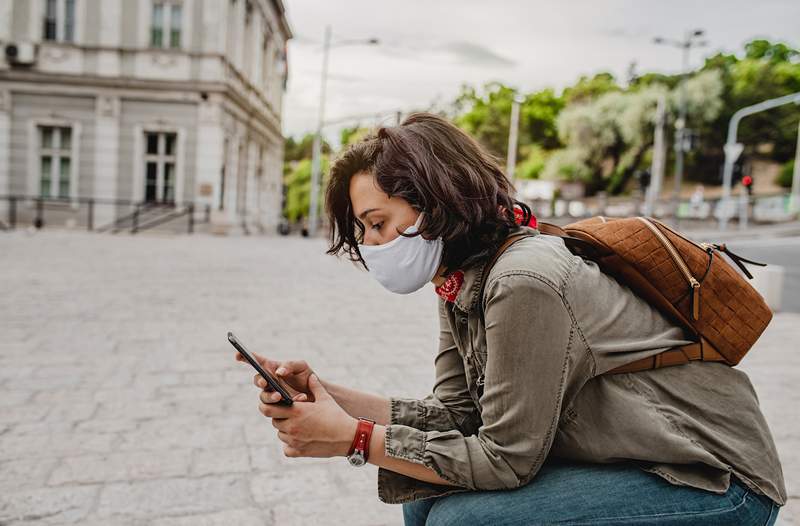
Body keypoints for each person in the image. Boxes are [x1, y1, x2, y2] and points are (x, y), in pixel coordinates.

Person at [234, 112, 785, 525]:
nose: (371, 245)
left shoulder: (525, 280)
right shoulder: (459, 275)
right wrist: (329, 395)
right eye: (362, 232)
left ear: (436, 200)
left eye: (378, 224)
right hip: (636, 458)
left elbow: (506, 460)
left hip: (713, 480)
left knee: (465, 522)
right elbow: (455, 412)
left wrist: (354, 439)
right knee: (425, 496)